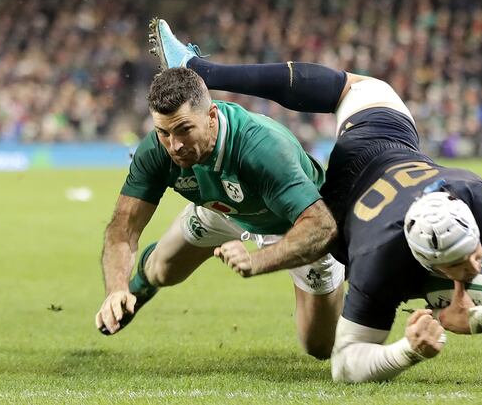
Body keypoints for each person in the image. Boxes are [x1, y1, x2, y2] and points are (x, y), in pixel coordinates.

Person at [150, 19, 482, 382]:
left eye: (473, 250)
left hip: (384, 143)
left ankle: (200, 69)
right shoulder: (378, 259)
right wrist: (407, 350)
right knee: (324, 335)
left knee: (366, 87)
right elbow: (345, 362)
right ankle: (224, 178)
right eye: (459, 262)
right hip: (339, 201)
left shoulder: (476, 194)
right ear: (426, 259)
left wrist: (480, 318)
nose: (477, 260)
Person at [94, 48, 346, 360]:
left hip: (295, 225)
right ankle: (131, 296)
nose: (175, 145)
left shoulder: (261, 148)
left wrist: (257, 260)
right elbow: (123, 228)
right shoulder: (157, 151)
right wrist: (117, 288)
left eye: (185, 130)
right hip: (224, 211)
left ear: (212, 117)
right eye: (163, 132)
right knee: (160, 271)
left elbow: (321, 225)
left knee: (318, 347)